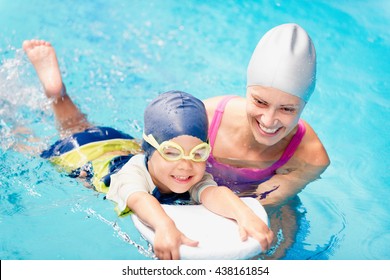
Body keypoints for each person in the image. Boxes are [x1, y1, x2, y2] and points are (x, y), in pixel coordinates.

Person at [22, 40, 274, 260]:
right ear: (152, 151)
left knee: (78, 122)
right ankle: (55, 94)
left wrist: (244, 213)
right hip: (84, 152)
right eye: (173, 152)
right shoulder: (132, 175)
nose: (186, 165)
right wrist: (164, 225)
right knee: (36, 142)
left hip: (122, 143)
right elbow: (139, 198)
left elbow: (213, 193)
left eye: (198, 153)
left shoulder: (190, 172)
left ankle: (59, 95)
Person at [203, 23, 330, 208]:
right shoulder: (204, 118)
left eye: (287, 109)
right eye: (260, 102)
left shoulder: (310, 156)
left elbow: (262, 205)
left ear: (304, 106)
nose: (268, 120)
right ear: (247, 91)